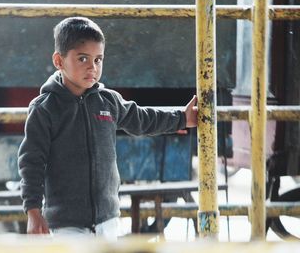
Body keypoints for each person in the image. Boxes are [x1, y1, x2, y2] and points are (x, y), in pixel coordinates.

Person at [18, 17, 198, 240]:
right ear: (59, 60)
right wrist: (33, 212)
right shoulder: (45, 109)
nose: (92, 67)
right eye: (82, 58)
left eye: (98, 59)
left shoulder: (108, 101)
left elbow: (142, 119)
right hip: (66, 225)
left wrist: (181, 118)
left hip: (108, 220)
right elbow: (31, 163)